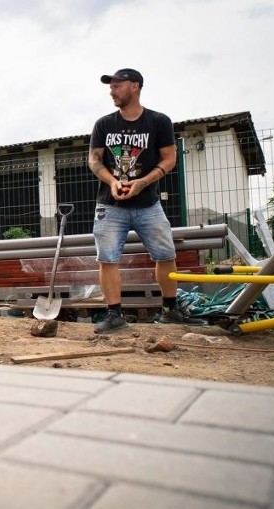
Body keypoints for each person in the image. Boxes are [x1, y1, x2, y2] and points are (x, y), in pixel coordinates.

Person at [88, 68, 201, 334]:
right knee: (107, 259)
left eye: (117, 85)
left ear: (135, 86)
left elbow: (169, 159)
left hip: (149, 203)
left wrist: (142, 183)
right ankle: (115, 314)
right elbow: (94, 160)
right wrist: (112, 182)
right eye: (110, 86)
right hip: (110, 204)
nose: (111, 90)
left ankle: (170, 310)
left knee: (165, 255)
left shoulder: (159, 121)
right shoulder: (104, 124)